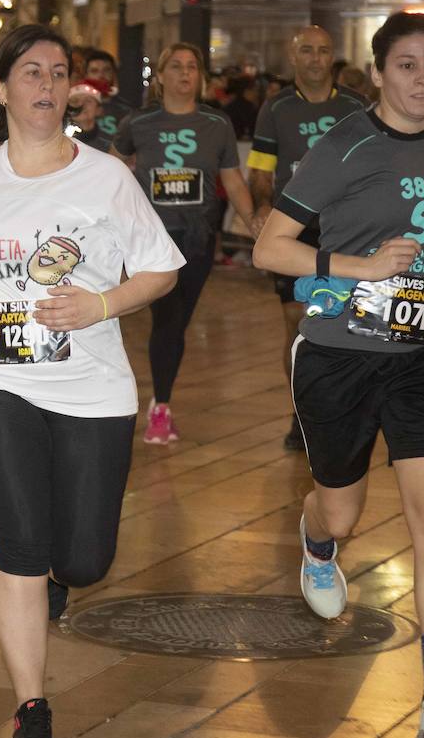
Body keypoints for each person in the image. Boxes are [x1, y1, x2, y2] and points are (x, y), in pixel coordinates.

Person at [0, 24, 182, 738]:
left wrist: (101, 306)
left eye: (58, 74)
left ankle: (59, 580)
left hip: (91, 382)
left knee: (85, 558)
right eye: (30, 73)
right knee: (20, 541)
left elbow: (160, 271)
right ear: (0, 89)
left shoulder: (107, 178)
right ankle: (31, 707)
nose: (46, 87)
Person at [253, 10, 424, 738]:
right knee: (341, 513)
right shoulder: (344, 146)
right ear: (375, 74)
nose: (422, 79)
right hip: (340, 354)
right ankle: (316, 541)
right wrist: (363, 268)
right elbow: (270, 249)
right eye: (406, 65)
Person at [113, 43, 260, 444]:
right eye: (175, 67)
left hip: (198, 235)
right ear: (159, 77)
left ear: (201, 77)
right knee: (167, 319)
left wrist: (254, 223)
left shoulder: (217, 124)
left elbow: (232, 179)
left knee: (178, 322)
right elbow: (111, 172)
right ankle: (161, 405)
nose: (183, 73)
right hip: (152, 239)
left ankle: (162, 396)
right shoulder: (138, 122)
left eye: (191, 67)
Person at [247, 26, 368, 449]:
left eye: (323, 51)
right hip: (295, 229)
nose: (316, 59)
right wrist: (262, 207)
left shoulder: (356, 106)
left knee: (347, 319)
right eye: (307, 51)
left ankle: (346, 407)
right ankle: (301, 413)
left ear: (333, 57)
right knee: (297, 324)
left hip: (348, 227)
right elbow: (261, 169)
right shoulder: (275, 108)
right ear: (292, 56)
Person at [67, 78, 115, 152]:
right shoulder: (57, 140)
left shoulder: (110, 144)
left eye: (88, 101)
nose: (81, 104)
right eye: (75, 101)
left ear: (99, 110)